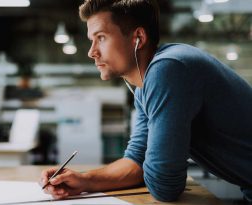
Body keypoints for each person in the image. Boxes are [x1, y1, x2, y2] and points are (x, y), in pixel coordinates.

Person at [40, 0, 252, 202]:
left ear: (138, 37)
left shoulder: (168, 69)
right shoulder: (145, 86)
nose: (91, 52)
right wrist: (84, 180)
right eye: (91, 40)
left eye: (101, 37)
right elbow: (135, 161)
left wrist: (151, 164)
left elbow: (164, 185)